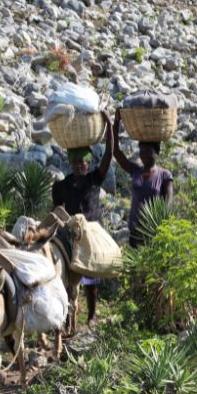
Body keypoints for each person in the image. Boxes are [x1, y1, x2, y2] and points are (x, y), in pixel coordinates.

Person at [51, 110, 113, 328]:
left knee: (91, 278)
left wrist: (110, 127)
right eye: (76, 162)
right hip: (72, 234)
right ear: (71, 163)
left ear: (88, 163)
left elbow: (108, 156)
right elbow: (56, 211)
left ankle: (92, 314)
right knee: (69, 278)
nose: (80, 166)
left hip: (93, 232)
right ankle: (68, 316)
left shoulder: (94, 179)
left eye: (83, 162)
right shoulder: (62, 186)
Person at [113, 110, 174, 248]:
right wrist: (116, 122)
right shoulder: (135, 170)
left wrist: (161, 228)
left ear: (157, 153)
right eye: (141, 151)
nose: (144, 155)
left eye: (148, 152)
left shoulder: (164, 175)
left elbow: (168, 205)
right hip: (134, 233)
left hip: (153, 234)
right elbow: (116, 151)